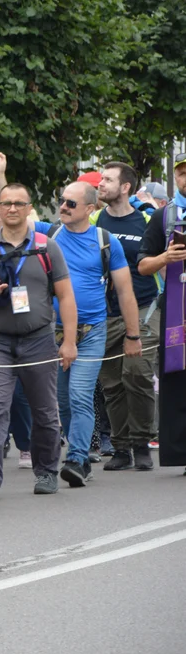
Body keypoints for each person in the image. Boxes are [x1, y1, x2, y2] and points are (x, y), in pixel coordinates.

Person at [0, 183, 76, 499]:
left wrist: (68, 341)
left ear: (30, 207)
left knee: (44, 411)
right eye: (6, 204)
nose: (12, 209)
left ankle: (46, 472)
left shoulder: (47, 247)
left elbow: (66, 295)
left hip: (39, 340)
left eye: (19, 203)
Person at [50, 181, 139, 486]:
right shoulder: (49, 236)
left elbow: (126, 291)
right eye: (62, 201)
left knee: (79, 395)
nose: (63, 206)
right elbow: (9, 213)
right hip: (55, 331)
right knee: (63, 400)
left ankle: (76, 459)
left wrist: (133, 335)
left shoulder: (105, 240)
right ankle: (79, 449)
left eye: (71, 203)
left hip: (92, 331)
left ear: (90, 209)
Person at [95, 163, 160, 471]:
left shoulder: (148, 220)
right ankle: (121, 448)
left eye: (108, 179)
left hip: (145, 309)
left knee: (137, 373)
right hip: (104, 313)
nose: (100, 184)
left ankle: (142, 442)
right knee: (112, 384)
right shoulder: (94, 220)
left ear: (125, 188)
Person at [137, 152, 186, 472]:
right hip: (177, 306)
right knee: (178, 377)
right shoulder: (164, 216)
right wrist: (166, 258)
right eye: (182, 173)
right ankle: (180, 452)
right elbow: (142, 265)